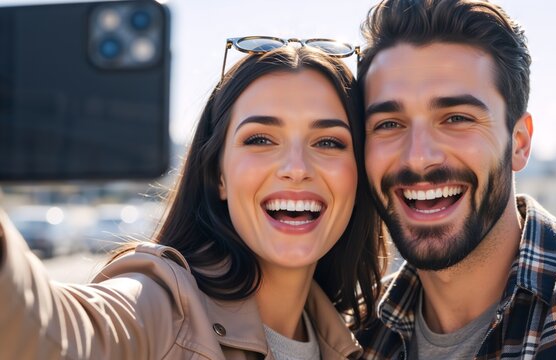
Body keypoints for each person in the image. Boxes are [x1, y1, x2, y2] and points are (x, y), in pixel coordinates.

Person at [0, 43, 386, 359]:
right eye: (260, 139)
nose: (296, 167)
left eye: (329, 142)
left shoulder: (362, 343)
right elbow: (52, 332)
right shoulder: (161, 307)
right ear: (218, 175)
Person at [353, 0, 556, 359]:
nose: (419, 157)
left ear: (519, 142)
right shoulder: (354, 338)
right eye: (389, 124)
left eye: (456, 118)